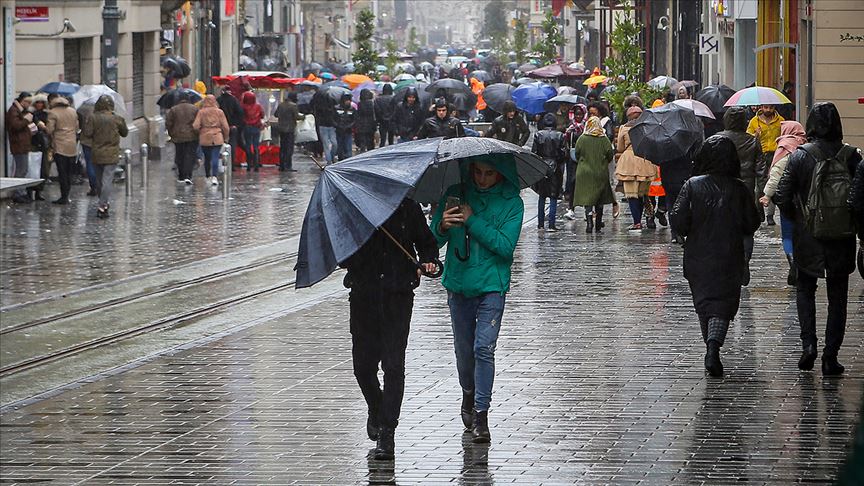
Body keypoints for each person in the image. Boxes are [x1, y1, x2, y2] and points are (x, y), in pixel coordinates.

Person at [430, 155, 524, 444]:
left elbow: (505, 247)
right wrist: (442, 226)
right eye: (478, 172)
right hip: (458, 283)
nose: (482, 179)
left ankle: (481, 414)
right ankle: (468, 392)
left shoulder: (512, 203)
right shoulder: (455, 194)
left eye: (489, 173)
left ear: (501, 174)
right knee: (464, 350)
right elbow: (432, 240)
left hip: (491, 285)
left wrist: (472, 220)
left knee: (484, 348)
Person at [341, 200, 439, 461]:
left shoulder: (409, 208)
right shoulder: (357, 209)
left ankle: (387, 432)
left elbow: (427, 243)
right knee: (362, 367)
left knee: (393, 365)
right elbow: (342, 256)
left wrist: (428, 263)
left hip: (398, 295)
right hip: (364, 296)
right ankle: (377, 407)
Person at [774, 102, 861, 375]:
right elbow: (859, 199)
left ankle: (808, 345)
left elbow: (781, 195)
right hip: (841, 235)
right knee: (838, 296)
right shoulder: (852, 156)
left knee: (805, 289)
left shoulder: (800, 156)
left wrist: (798, 218)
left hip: (808, 234)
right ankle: (830, 356)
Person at [670, 135, 761, 377]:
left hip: (698, 255)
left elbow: (678, 219)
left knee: (704, 303)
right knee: (722, 305)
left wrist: (689, 227)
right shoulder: (739, 188)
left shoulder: (692, 185)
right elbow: (752, 222)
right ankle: (713, 347)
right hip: (729, 254)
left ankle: (711, 347)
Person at [718, 106, 762, 283]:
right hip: (746, 189)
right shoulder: (752, 141)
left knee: (723, 227)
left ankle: (728, 262)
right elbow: (761, 170)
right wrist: (762, 195)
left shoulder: (717, 139)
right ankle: (744, 259)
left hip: (722, 190)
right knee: (746, 229)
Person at [760, 121, 807, 286]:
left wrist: (766, 195)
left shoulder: (784, 147)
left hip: (787, 199)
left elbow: (776, 174)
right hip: (804, 200)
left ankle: (793, 261)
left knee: (787, 234)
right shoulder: (806, 147)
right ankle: (801, 263)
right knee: (801, 232)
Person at [82, 95, 128, 219]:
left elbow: (87, 133)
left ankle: (103, 203)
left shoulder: (93, 117)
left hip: (97, 152)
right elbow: (125, 133)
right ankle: (103, 205)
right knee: (107, 180)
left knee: (99, 180)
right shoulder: (117, 118)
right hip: (111, 153)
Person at [615, 106, 658, 230]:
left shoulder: (624, 128)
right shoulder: (648, 127)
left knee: (631, 195)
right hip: (644, 160)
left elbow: (620, 148)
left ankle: (637, 222)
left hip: (628, 161)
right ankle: (649, 216)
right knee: (643, 194)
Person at [572, 116, 615, 233]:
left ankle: (589, 222)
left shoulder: (582, 139)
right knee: (599, 199)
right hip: (600, 172)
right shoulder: (604, 139)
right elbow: (610, 155)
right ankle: (598, 224)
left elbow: (576, 154)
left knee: (588, 199)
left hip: (584, 173)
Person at [747, 104, 785, 225]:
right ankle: (760, 213)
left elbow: (784, 136)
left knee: (773, 183)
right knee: (760, 186)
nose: (768, 110)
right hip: (760, 155)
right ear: (761, 108)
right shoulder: (754, 121)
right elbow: (748, 138)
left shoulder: (781, 121)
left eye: (771, 108)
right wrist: (756, 135)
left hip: (775, 154)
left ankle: (770, 215)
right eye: (766, 107)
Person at [532, 113, 567, 231]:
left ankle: (540, 224)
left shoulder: (538, 135)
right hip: (555, 167)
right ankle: (551, 224)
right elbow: (563, 154)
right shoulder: (560, 136)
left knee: (542, 196)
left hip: (542, 166)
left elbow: (534, 152)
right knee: (553, 196)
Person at [45, 94, 79, 204]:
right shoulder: (73, 111)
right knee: (69, 172)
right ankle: (67, 194)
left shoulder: (53, 112)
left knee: (62, 171)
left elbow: (49, 130)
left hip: (60, 145)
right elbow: (77, 127)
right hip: (72, 145)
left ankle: (64, 196)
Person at [5, 92, 36, 203]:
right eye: (27, 102)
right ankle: (17, 194)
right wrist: (27, 119)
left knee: (23, 170)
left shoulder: (20, 111)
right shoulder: (14, 110)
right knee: (21, 170)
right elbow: (16, 126)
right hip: (19, 144)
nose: (28, 104)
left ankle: (20, 192)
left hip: (23, 144)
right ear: (22, 100)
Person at [192, 95, 229, 185]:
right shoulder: (219, 112)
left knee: (207, 158)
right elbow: (225, 127)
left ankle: (208, 175)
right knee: (215, 156)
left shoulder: (201, 112)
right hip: (217, 136)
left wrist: (199, 132)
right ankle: (214, 176)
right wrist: (226, 137)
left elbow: (195, 126)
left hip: (204, 137)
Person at [165, 93, 200, 183]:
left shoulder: (174, 109)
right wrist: (197, 133)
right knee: (190, 155)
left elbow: (168, 123)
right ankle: (188, 174)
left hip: (178, 136)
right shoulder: (194, 109)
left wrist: (171, 133)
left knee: (180, 155)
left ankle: (181, 176)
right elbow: (198, 122)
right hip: (192, 136)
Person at [562, 104, 587, 221]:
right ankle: (571, 208)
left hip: (585, 158)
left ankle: (588, 210)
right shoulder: (570, 128)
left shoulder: (587, 127)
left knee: (585, 183)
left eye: (580, 114)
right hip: (572, 159)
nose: (578, 116)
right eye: (576, 114)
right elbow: (565, 142)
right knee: (572, 182)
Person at [273, 92, 305, 171]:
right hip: (290, 129)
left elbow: (276, 114)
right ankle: (288, 166)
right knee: (289, 148)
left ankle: (281, 165)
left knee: (282, 147)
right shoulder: (293, 106)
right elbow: (297, 116)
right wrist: (303, 117)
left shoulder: (281, 105)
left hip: (281, 128)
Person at [29, 94, 51, 202]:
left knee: (43, 169)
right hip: (34, 143)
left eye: (41, 103)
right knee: (32, 168)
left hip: (43, 144)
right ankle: (30, 191)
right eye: (38, 102)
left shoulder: (46, 115)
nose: (40, 105)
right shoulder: (31, 114)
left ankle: (38, 192)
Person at [217, 86, 244, 171]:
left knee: (220, 146)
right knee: (232, 146)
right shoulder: (234, 100)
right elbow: (240, 112)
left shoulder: (219, 100)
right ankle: (231, 166)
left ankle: (221, 165)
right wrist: (236, 124)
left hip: (220, 127)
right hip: (232, 126)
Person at [312, 88, 338, 164]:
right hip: (325, 125)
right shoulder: (320, 105)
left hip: (327, 125)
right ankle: (329, 160)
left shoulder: (320, 103)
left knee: (331, 144)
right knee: (330, 144)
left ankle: (330, 158)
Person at [241, 91, 264, 171]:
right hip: (256, 127)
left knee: (248, 145)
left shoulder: (243, 107)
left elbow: (241, 116)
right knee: (256, 146)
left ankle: (249, 164)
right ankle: (256, 164)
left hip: (247, 127)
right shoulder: (258, 106)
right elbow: (262, 115)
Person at [333, 92, 355, 161]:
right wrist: (338, 125)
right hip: (339, 131)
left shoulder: (352, 109)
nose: (348, 102)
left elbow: (355, 119)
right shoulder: (336, 108)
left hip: (348, 131)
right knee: (339, 147)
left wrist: (349, 126)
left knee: (348, 148)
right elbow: (333, 118)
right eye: (347, 100)